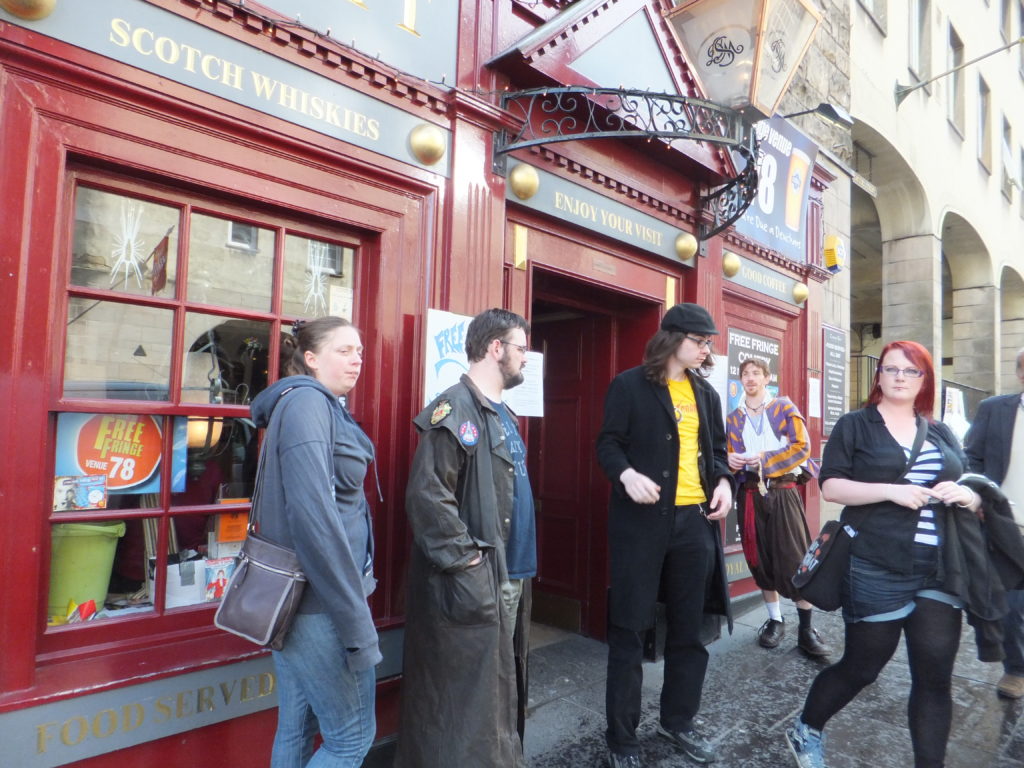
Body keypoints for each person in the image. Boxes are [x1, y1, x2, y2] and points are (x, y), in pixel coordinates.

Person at [786, 341, 983, 768]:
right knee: (862, 668)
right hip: (875, 563)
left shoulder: (941, 431)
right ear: (878, 377)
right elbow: (832, 486)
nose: (898, 377)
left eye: (910, 371)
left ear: (924, 381)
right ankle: (806, 727)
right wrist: (891, 491)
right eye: (890, 369)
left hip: (938, 569)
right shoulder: (856, 425)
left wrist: (965, 494)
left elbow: (966, 481)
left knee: (934, 680)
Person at [395, 308, 535, 768]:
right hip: (478, 581)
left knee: (502, 686)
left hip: (509, 577)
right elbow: (428, 498)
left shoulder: (502, 412)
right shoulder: (456, 407)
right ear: (496, 348)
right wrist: (471, 565)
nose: (525, 359)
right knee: (473, 702)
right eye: (520, 348)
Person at [596, 303, 734, 768]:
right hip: (642, 525)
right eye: (699, 341)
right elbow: (607, 443)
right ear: (673, 338)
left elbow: (718, 451)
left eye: (709, 343)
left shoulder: (705, 393)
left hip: (694, 525)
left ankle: (678, 722)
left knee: (689, 630)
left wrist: (724, 483)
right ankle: (622, 738)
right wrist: (625, 474)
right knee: (630, 629)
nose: (705, 350)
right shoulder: (630, 385)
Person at [249, 316, 381, 768]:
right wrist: (355, 622)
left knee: (297, 727)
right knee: (351, 738)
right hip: (318, 604)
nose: (356, 359)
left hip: (305, 600)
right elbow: (314, 520)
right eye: (343, 350)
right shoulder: (308, 404)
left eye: (359, 350)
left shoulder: (321, 405)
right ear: (310, 358)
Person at [726, 358, 830, 657]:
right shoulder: (734, 418)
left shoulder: (784, 408)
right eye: (745, 374)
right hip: (749, 494)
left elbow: (801, 447)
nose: (750, 379)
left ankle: (806, 628)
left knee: (795, 557)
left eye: (756, 373)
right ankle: (774, 620)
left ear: (767, 378)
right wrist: (731, 460)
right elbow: (730, 453)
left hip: (782, 490)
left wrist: (764, 458)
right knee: (760, 558)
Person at [964, 346, 1024, 699]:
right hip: (1007, 526)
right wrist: (979, 497)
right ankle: (1016, 668)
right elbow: (970, 457)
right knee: (1011, 605)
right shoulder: (994, 410)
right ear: (1020, 374)